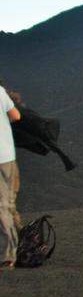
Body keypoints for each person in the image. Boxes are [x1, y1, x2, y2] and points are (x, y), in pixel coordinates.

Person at [0, 83, 22, 268]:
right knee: (8, 202)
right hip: (8, 155)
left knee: (1, 206)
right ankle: (22, 243)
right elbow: (16, 116)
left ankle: (9, 254)